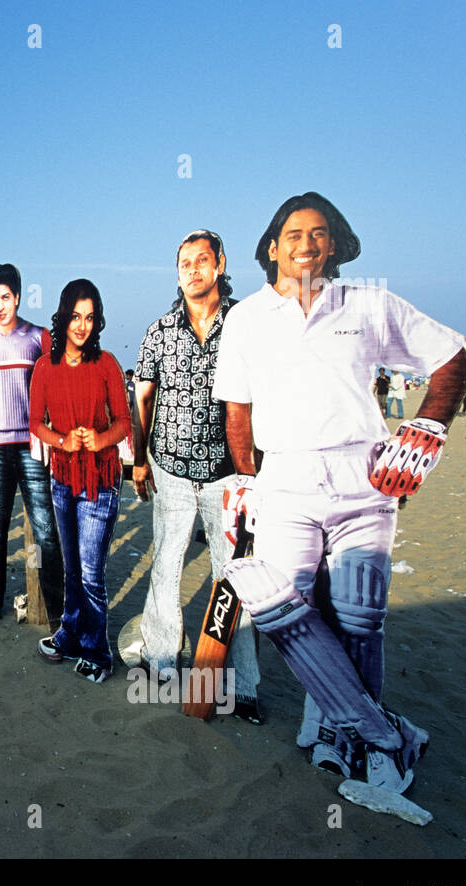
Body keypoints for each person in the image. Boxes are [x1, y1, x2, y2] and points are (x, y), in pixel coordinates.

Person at [213, 191, 466, 793]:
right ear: (271, 247)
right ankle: (384, 733)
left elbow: (455, 356)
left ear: (334, 245)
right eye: (294, 233)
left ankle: (343, 733)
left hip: (363, 474)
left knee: (359, 616)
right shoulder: (246, 318)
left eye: (319, 233)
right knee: (284, 608)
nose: (306, 243)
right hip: (285, 475)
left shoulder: (368, 303)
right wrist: (247, 482)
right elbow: (237, 411)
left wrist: (428, 425)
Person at [130, 229, 262, 719]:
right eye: (184, 262)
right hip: (171, 471)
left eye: (201, 260)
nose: (192, 269)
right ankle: (162, 661)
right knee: (166, 566)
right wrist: (139, 460)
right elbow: (142, 398)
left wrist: (257, 468)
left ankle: (241, 683)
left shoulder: (246, 325)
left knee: (236, 577)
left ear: (221, 264)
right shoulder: (159, 331)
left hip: (229, 475)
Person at [29, 280, 130, 681]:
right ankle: (70, 634)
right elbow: (35, 422)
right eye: (75, 316)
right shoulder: (44, 367)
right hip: (62, 478)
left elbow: (124, 422)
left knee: (91, 573)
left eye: (89, 318)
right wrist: (63, 441)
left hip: (100, 480)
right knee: (71, 568)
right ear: (63, 317)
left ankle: (97, 651)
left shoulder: (106, 364)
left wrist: (99, 438)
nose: (82, 326)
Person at [0, 263, 63, 623]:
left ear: (18, 297)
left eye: (6, 297)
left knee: (45, 531)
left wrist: (50, 432)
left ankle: (57, 609)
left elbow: (55, 384)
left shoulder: (39, 337)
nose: (0, 306)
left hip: (32, 447)